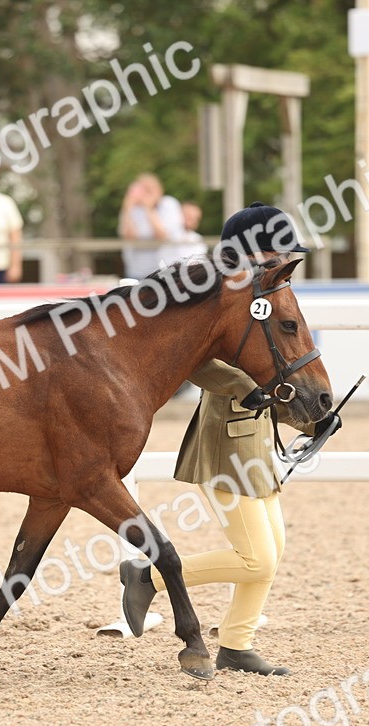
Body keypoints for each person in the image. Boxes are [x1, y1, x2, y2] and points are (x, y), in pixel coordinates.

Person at [116, 202, 341, 676]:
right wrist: (243, 386)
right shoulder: (212, 296)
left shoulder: (266, 292)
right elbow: (194, 360)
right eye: (276, 253)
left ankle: (237, 644)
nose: (284, 262)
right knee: (256, 558)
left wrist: (311, 420)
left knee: (273, 550)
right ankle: (148, 577)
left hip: (256, 439)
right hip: (225, 440)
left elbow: (278, 369)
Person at [118, 173, 185, 280]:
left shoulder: (168, 204)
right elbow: (128, 236)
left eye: (149, 190)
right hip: (136, 272)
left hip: (165, 272)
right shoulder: (132, 208)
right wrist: (128, 207)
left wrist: (149, 208)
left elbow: (162, 235)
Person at [157, 202, 205, 266]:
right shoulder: (167, 232)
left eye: (196, 217)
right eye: (188, 215)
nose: (192, 219)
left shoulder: (199, 239)